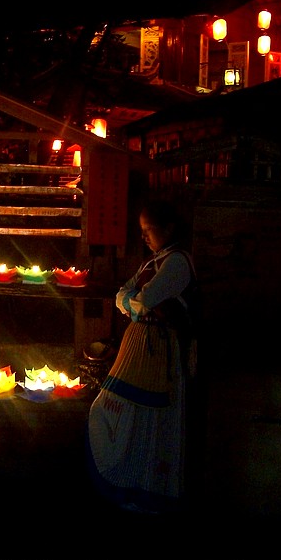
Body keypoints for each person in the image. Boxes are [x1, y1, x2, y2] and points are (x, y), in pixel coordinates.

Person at [87, 199, 198, 514]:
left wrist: (134, 301)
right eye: (142, 231)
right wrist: (133, 301)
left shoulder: (176, 262)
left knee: (154, 421)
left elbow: (142, 300)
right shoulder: (155, 261)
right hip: (140, 347)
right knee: (126, 414)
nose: (145, 237)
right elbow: (123, 295)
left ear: (169, 229)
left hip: (160, 352)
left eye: (149, 230)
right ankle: (132, 483)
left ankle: (152, 493)